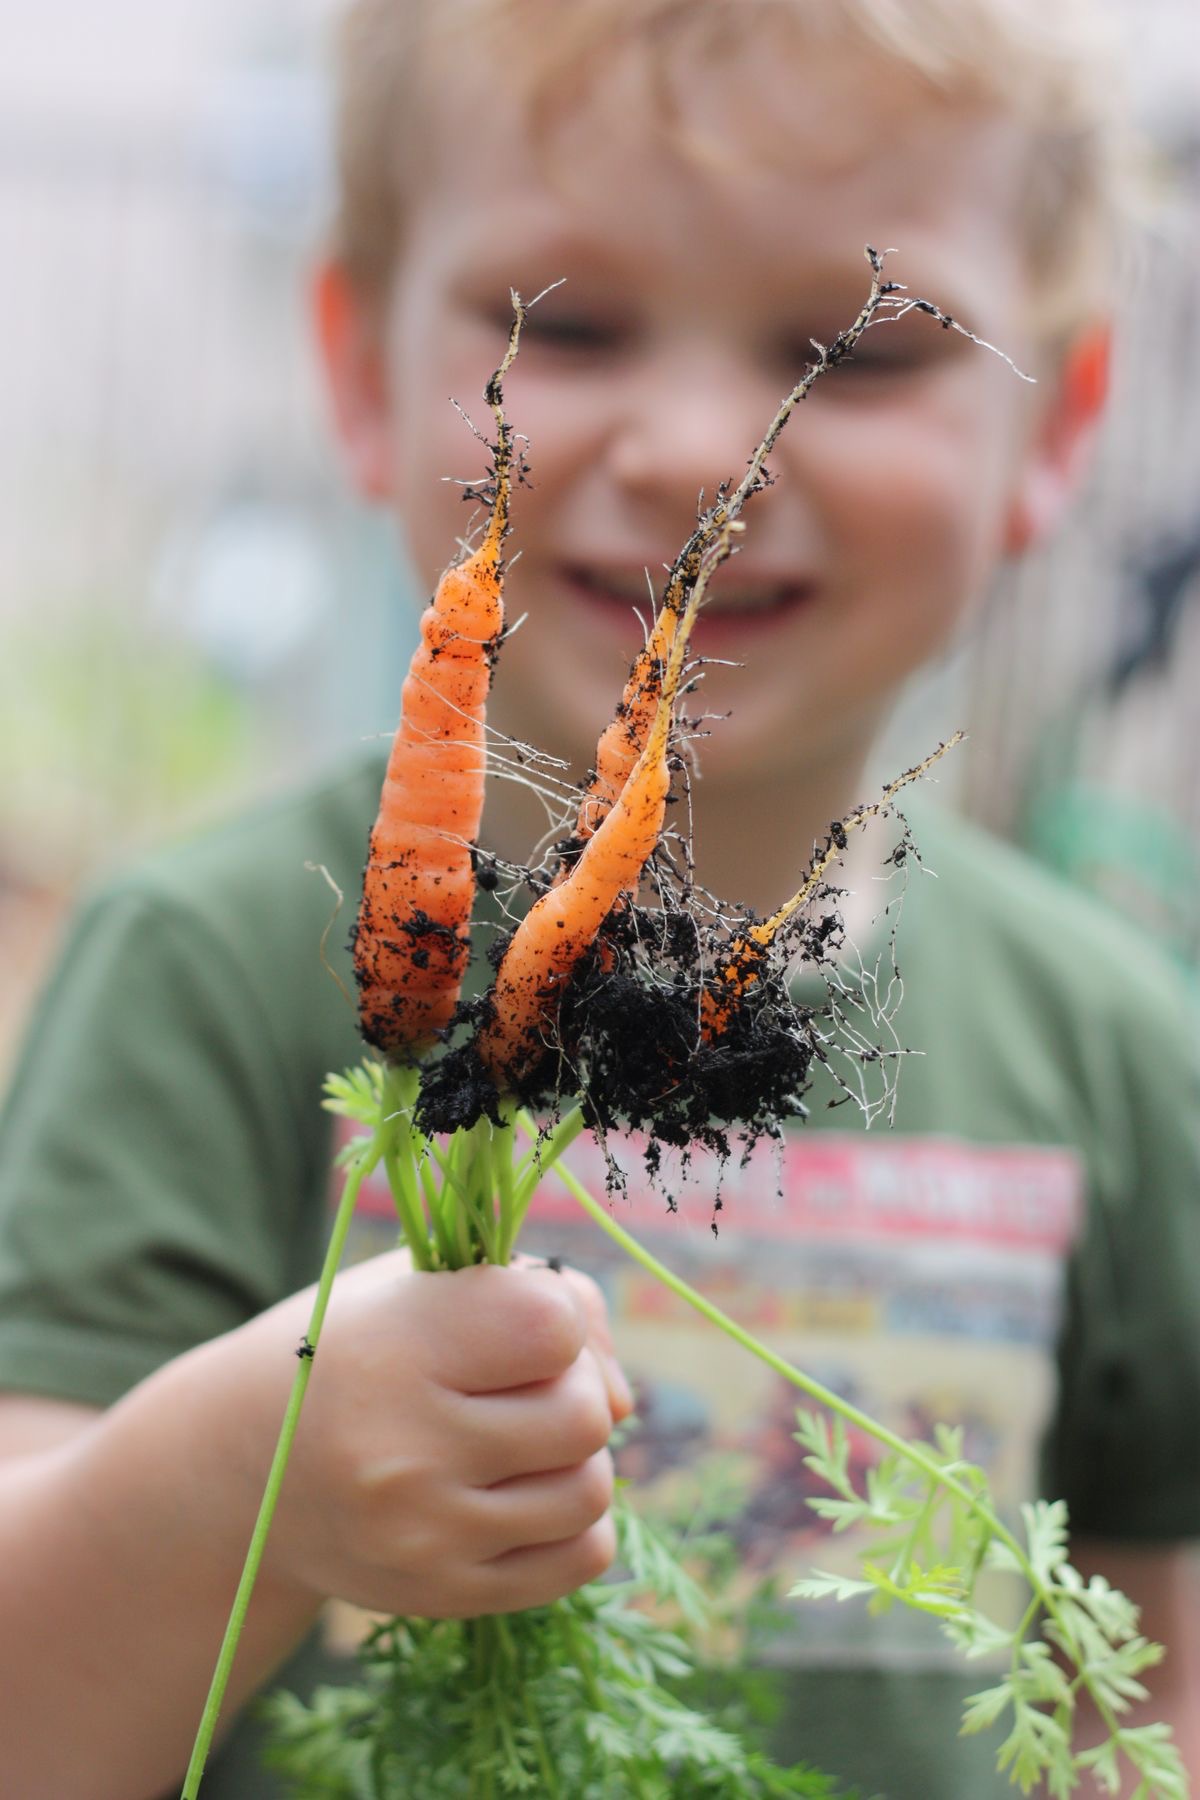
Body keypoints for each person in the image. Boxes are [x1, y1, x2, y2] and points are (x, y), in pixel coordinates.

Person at [2, 1, 1199, 1795]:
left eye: (850, 357)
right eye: (562, 326)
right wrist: (247, 1477)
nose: (706, 454)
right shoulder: (206, 970)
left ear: (1057, 426)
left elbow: (1138, 1687)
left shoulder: (1114, 1041)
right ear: (352, 365)